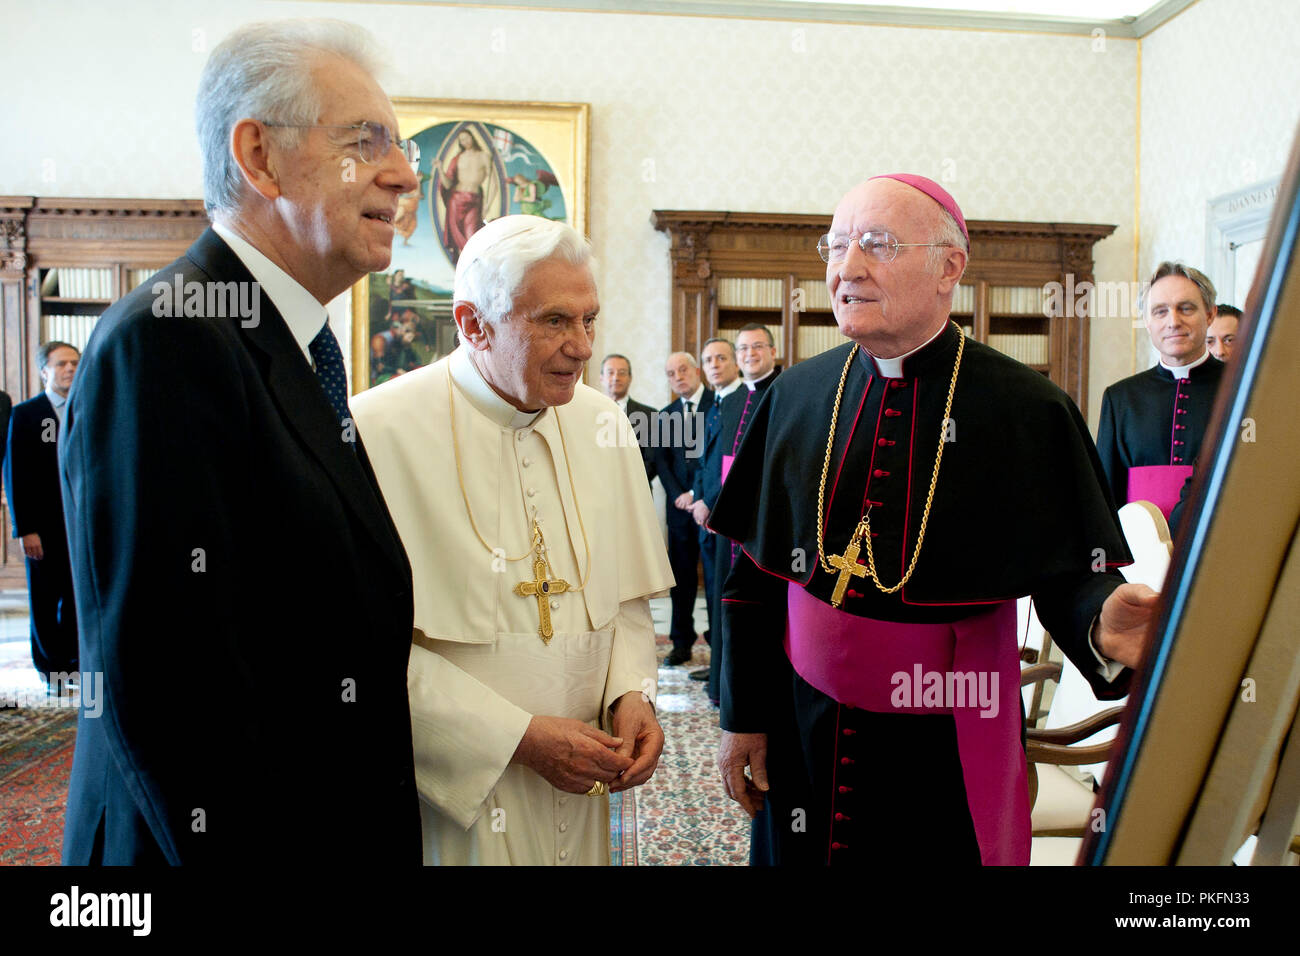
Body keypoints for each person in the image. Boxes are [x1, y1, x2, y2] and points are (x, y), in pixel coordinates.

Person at [710, 175, 1158, 866]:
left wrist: (1102, 619)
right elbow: (753, 581)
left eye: (877, 245)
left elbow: (1067, 574)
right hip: (802, 726)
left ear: (950, 266)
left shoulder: (1027, 410)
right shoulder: (794, 397)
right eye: (836, 245)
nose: (846, 268)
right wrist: (743, 716)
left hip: (941, 741)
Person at [58, 19, 423, 865]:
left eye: (398, 147)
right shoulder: (170, 339)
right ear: (259, 157)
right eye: (365, 143)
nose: (403, 174)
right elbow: (167, 691)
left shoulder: (287, 343)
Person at [351, 215, 673, 865]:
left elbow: (629, 600)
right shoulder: (375, 430)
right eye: (555, 321)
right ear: (473, 324)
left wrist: (629, 692)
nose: (583, 347)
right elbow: (357, 646)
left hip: (584, 781)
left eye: (590, 320)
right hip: (456, 788)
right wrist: (518, 738)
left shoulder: (604, 422)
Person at [1096, 262, 1227, 524]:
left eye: (1186, 309)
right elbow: (1105, 493)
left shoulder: (1242, 388)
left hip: (1218, 541)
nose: (1173, 322)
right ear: (1146, 321)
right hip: (1137, 553)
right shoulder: (1121, 397)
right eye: (1160, 312)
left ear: (1210, 314)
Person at [5, 341, 80, 689]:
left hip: (79, 526)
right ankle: (50, 671)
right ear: (44, 371)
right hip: (43, 528)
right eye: (62, 363)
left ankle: (73, 663)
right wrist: (25, 529)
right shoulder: (26, 414)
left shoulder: (86, 410)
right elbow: (15, 474)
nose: (70, 369)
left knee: (77, 598)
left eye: (75, 363)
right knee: (46, 600)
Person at [687, 337, 742, 689]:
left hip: (724, 516)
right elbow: (703, 462)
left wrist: (709, 501)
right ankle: (716, 663)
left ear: (735, 362)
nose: (715, 365)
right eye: (708, 360)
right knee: (710, 595)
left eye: (721, 358)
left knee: (726, 597)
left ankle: (725, 673)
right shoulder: (714, 404)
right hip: (704, 514)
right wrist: (696, 496)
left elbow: (733, 465)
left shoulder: (743, 401)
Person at [655, 352, 713, 666]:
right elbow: (661, 462)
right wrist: (679, 494)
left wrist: (695, 493)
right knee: (681, 578)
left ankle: (716, 643)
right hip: (679, 511)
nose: (678, 376)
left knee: (715, 579)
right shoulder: (665, 415)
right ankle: (681, 642)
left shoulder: (717, 404)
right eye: (670, 373)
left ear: (696, 370)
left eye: (683, 369)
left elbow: (718, 459)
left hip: (710, 508)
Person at [600, 353, 656, 483]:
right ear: (601, 378)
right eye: (610, 372)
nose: (616, 378)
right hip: (598, 491)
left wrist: (628, 484)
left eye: (622, 373)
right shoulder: (587, 414)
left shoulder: (650, 415)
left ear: (630, 378)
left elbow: (652, 460)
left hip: (638, 490)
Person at [439, 128, 490, 263]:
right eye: (462, 140)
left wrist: (488, 204)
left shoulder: (483, 156)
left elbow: (493, 183)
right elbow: (448, 184)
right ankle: (463, 269)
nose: (465, 141)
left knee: (471, 235)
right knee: (457, 239)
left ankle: (471, 266)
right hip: (456, 200)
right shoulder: (457, 158)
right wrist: (439, 168)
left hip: (474, 200)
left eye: (467, 138)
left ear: (472, 137)